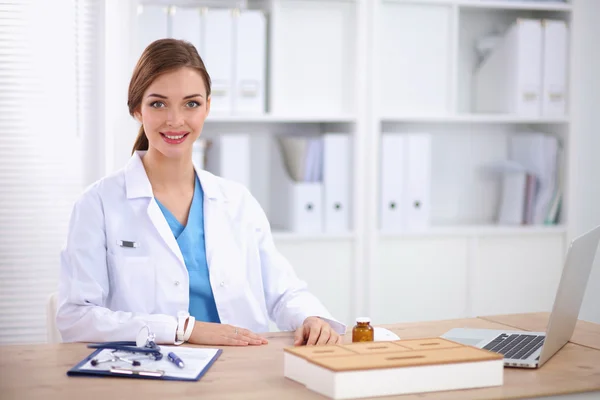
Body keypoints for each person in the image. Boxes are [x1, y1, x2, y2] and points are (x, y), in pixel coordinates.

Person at [56, 38, 345, 347]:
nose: (175, 120)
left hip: (242, 370)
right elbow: (77, 318)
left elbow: (284, 291)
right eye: (158, 103)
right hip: (150, 375)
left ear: (208, 107)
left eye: (191, 103)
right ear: (137, 110)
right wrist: (182, 329)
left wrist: (310, 317)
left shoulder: (237, 202)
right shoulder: (98, 204)